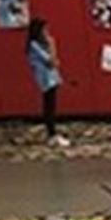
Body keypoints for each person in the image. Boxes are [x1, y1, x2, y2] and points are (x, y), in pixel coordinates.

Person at [24, 19, 69, 147]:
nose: (46, 33)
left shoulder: (40, 44)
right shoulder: (34, 45)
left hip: (51, 78)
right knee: (49, 106)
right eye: (44, 30)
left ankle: (53, 133)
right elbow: (50, 61)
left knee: (51, 105)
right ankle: (52, 135)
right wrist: (52, 45)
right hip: (46, 79)